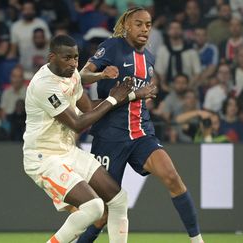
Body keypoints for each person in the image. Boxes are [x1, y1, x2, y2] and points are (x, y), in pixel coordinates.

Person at [79, 7, 205, 243]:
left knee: (171, 176)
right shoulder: (112, 46)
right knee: (102, 213)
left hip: (141, 132)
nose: (145, 29)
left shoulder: (149, 57)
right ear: (127, 25)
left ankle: (197, 241)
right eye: (139, 24)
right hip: (110, 136)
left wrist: (145, 94)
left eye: (148, 25)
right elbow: (82, 76)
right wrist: (102, 75)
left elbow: (137, 95)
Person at [23, 34, 142, 243]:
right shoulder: (44, 86)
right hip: (44, 158)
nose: (73, 63)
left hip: (67, 151)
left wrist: (131, 96)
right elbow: (78, 123)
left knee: (118, 199)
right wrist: (114, 98)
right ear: (52, 57)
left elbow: (87, 110)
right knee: (94, 207)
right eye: (67, 58)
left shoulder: (73, 76)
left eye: (76, 58)